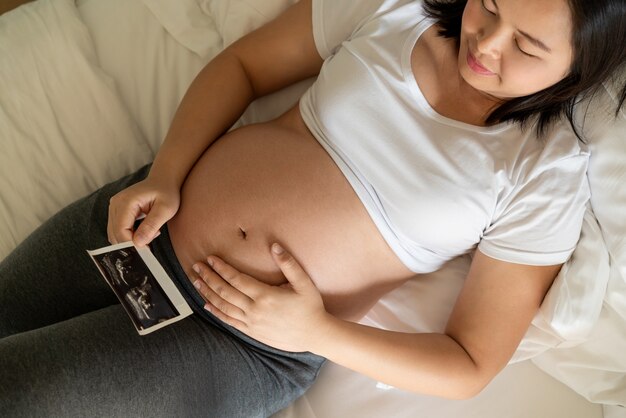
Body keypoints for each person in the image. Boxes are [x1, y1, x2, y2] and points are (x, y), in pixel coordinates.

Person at [1, 0, 625, 416]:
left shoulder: (545, 169)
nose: (486, 42)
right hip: (142, 223)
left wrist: (316, 332)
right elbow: (244, 65)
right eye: (489, 5)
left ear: (581, 65)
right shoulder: (394, 9)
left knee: (20, 394)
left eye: (528, 46)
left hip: (236, 342)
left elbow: (469, 364)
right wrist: (166, 173)